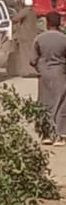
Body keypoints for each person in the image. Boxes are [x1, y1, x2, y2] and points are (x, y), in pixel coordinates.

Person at [29, 9, 66, 144]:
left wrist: (40, 68)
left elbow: (32, 60)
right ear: (60, 23)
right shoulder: (63, 39)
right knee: (61, 103)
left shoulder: (39, 39)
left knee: (44, 103)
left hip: (44, 75)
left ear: (47, 23)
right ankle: (61, 135)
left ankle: (46, 135)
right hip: (60, 73)